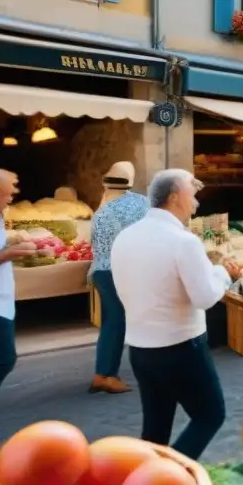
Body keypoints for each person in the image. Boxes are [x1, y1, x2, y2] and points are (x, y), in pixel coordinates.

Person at [111, 170, 242, 460]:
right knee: (209, 416)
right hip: (181, 349)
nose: (196, 201)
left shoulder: (125, 237)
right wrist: (223, 273)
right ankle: (170, 477)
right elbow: (205, 297)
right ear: (174, 197)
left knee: (155, 430)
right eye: (191, 194)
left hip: (140, 349)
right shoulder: (184, 241)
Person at [88, 161, 149, 395]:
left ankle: (103, 373)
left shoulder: (101, 210)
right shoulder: (141, 204)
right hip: (124, 270)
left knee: (112, 322)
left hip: (102, 272)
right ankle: (105, 375)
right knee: (121, 322)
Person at [0, 169, 36, 450]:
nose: (11, 197)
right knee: (2, 359)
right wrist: (9, 253)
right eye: (6, 192)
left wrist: (9, 245)